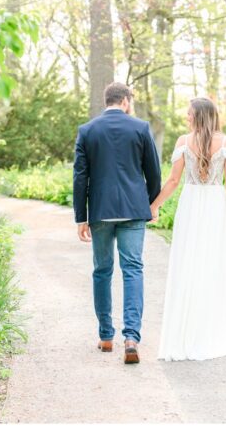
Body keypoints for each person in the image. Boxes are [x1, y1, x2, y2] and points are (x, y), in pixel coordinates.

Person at [73, 82, 162, 364]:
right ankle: (132, 337)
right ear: (125, 101)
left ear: (107, 100)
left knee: (102, 271)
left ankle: (106, 336)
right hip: (133, 210)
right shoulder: (140, 128)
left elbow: (80, 178)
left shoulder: (87, 131)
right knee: (132, 269)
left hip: (100, 211)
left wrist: (81, 217)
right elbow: (154, 172)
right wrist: (148, 204)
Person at [153, 97, 226, 361]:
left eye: (189, 113)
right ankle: (206, 334)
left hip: (191, 203)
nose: (186, 117)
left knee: (187, 264)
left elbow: (173, 180)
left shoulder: (184, 142)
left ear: (199, 116)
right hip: (215, 206)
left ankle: (186, 334)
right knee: (211, 266)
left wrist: (155, 205)